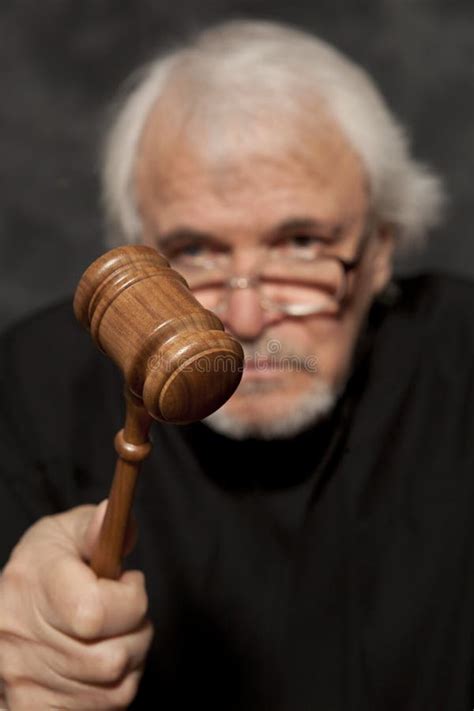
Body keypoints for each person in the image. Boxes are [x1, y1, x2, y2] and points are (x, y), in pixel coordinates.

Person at [0, 18, 473, 711]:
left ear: (378, 254)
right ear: (139, 253)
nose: (246, 322)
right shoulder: (34, 387)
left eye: (302, 243)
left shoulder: (463, 363)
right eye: (194, 252)